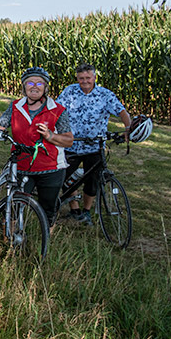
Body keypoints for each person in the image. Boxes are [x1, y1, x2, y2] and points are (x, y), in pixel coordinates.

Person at [0, 67, 73, 223]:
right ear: (24, 86)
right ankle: (10, 241)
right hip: (21, 165)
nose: (35, 86)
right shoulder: (16, 107)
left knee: (47, 210)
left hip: (50, 168)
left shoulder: (57, 110)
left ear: (46, 87)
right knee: (14, 207)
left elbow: (68, 140)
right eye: (30, 82)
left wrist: (50, 136)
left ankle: (46, 241)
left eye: (40, 83)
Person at [56, 62, 132, 225]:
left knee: (92, 181)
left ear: (94, 77)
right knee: (66, 177)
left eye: (88, 78)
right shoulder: (69, 91)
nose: (84, 81)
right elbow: (56, 110)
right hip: (72, 144)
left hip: (94, 146)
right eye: (81, 78)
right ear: (77, 78)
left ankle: (87, 212)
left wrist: (128, 128)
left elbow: (121, 111)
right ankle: (75, 210)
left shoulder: (105, 95)